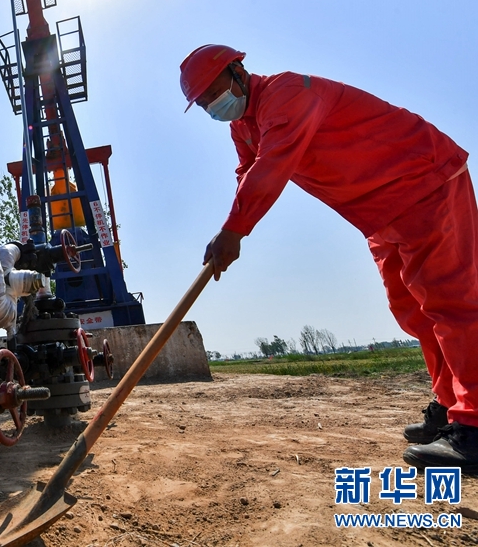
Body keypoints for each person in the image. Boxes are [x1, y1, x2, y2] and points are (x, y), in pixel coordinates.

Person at [180, 44, 478, 472]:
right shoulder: (243, 127)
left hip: (422, 180)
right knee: (412, 312)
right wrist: (232, 228)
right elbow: (248, 173)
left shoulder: (287, 93)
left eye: (214, 91)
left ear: (238, 70)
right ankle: (450, 409)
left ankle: (474, 426)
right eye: (203, 102)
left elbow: (273, 164)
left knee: (452, 305)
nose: (212, 105)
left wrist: (234, 230)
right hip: (378, 211)